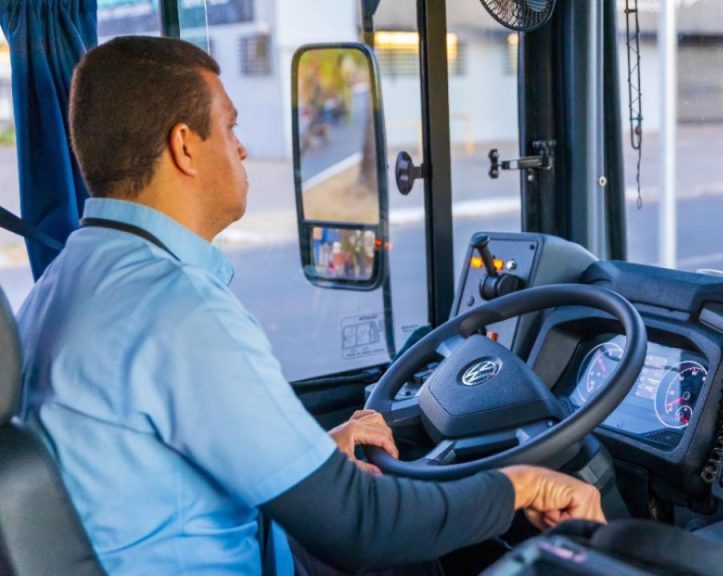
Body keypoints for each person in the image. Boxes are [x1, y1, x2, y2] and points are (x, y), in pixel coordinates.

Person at [16, 36, 604, 575]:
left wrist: (310, 455)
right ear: (185, 147)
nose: (242, 148)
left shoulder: (66, 282)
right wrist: (521, 486)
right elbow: (364, 526)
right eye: (229, 127)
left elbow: (152, 471)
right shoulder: (177, 311)